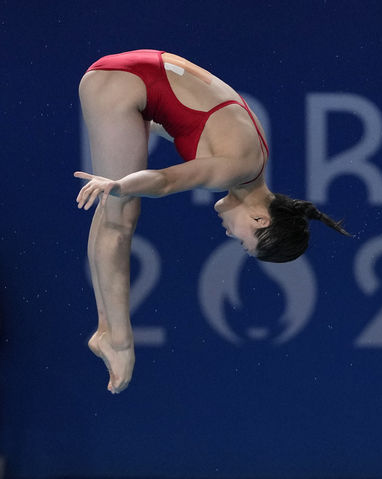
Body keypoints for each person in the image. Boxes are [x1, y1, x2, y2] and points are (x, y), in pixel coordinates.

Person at [74, 50, 350, 394]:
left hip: (131, 77)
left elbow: (181, 112)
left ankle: (107, 329)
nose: (229, 233)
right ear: (260, 218)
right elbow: (165, 182)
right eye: (242, 239)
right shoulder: (239, 168)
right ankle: (118, 339)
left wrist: (127, 156)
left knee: (117, 209)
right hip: (119, 81)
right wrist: (119, 184)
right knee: (121, 211)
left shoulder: (255, 161)